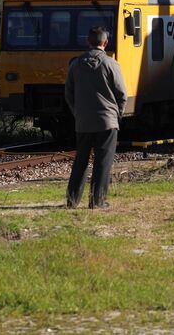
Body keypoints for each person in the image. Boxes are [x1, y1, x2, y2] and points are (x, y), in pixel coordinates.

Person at [64, 26, 127, 209]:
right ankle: (97, 202)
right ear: (105, 43)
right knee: (103, 161)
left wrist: (78, 113)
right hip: (107, 121)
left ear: (88, 42)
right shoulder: (111, 64)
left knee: (81, 161)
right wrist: (117, 115)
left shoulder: (75, 65)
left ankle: (72, 200)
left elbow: (69, 93)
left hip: (83, 121)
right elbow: (122, 94)